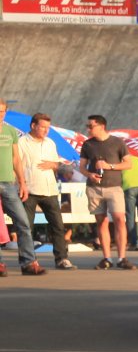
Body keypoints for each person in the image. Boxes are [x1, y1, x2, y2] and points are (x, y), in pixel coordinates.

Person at [15, 113, 74, 270]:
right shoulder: (22, 142)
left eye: (48, 127)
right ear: (33, 126)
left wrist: (53, 165)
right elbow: (16, 164)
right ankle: (28, 261)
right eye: (43, 127)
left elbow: (56, 164)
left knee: (58, 225)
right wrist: (21, 184)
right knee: (26, 228)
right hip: (29, 189)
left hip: (49, 190)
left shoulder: (50, 143)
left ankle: (62, 259)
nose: (46, 130)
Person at [78, 114, 136, 269]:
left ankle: (122, 257)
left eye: (91, 126)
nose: (88, 129)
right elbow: (82, 167)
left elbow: (128, 164)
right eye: (87, 126)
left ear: (101, 126)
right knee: (101, 222)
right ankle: (107, 258)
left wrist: (109, 166)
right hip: (94, 188)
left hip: (114, 186)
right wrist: (89, 174)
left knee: (119, 219)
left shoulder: (117, 142)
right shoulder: (88, 144)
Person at [0, 98, 45, 275]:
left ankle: (28, 263)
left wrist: (22, 182)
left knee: (23, 222)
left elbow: (16, 159)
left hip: (8, 183)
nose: (0, 114)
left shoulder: (10, 131)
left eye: (2, 111)